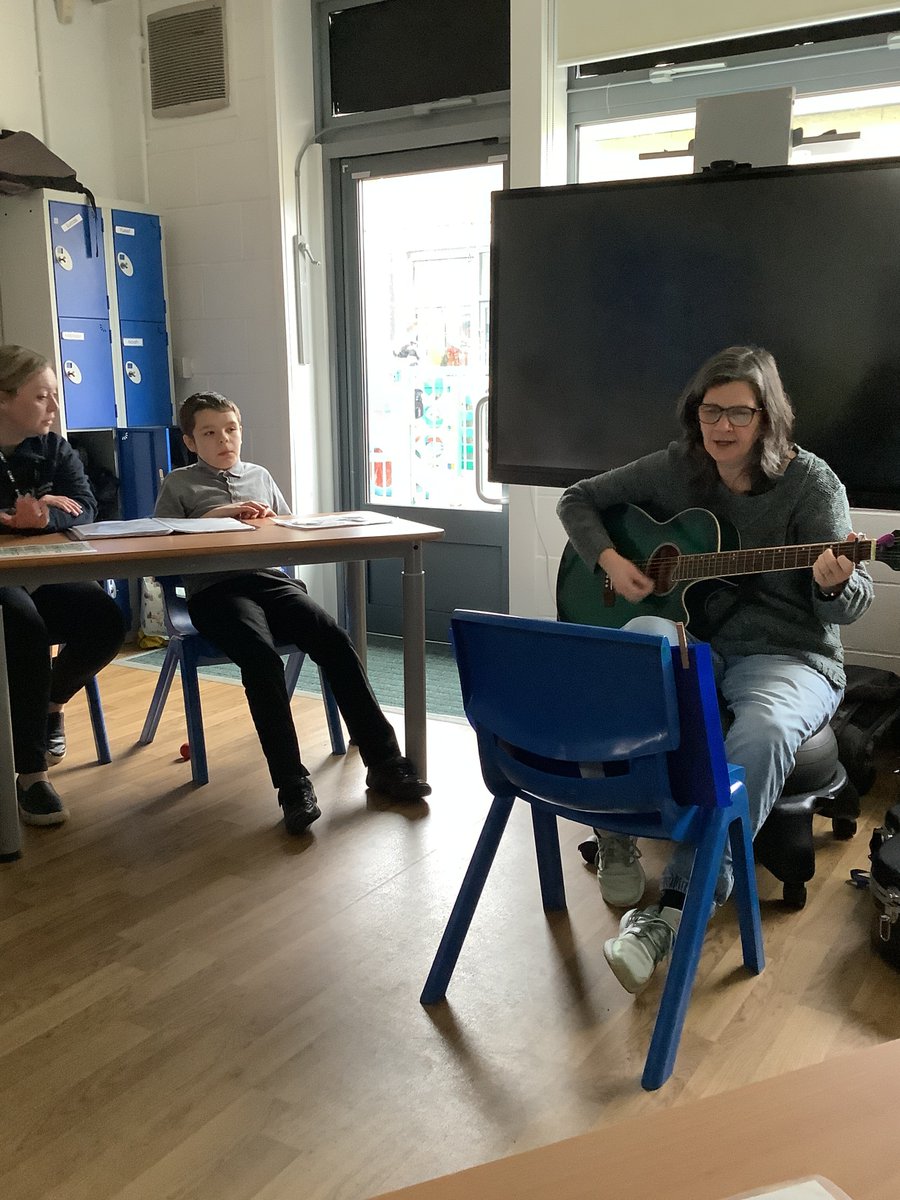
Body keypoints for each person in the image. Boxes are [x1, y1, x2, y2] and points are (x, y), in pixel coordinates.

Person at [557, 345, 873, 993]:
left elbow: (851, 604)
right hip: (696, 638)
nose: (722, 426)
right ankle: (613, 828)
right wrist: (612, 563)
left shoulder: (812, 485)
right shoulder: (680, 468)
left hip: (790, 655)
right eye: (711, 411)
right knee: (622, 660)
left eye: (740, 413)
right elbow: (578, 499)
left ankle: (676, 906)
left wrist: (834, 582)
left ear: (767, 417)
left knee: (763, 729)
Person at [153, 390, 431, 835]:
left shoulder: (259, 475)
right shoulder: (178, 484)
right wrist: (218, 517)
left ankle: (385, 763)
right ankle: (292, 784)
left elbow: (288, 532)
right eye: (209, 433)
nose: (224, 440)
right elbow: (161, 544)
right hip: (215, 591)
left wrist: (268, 522)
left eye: (231, 429)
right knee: (260, 656)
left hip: (269, 581)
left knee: (333, 638)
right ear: (190, 442)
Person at [0, 345, 126, 826]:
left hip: (42, 573)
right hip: (4, 584)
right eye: (41, 397)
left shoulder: (54, 447)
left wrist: (44, 517)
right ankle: (32, 775)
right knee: (24, 628)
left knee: (105, 619)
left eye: (55, 395)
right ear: (3, 398)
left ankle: (50, 704)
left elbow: (85, 506)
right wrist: (14, 518)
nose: (54, 407)